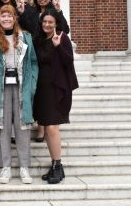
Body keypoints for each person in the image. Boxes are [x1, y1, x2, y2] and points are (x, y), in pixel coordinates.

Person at [0, 5, 38, 184]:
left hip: (22, 86)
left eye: (9, 16)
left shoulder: (26, 38)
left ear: (14, 18)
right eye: (3, 16)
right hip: (1, 87)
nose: (6, 19)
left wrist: (32, 84)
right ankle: (5, 167)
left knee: (23, 128)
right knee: (3, 128)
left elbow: (33, 62)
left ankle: (24, 167)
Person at [33, 9, 78, 184]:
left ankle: (58, 166)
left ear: (56, 23)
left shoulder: (61, 37)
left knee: (52, 129)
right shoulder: (39, 39)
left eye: (50, 22)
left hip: (57, 88)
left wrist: (58, 46)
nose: (47, 25)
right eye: (44, 22)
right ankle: (55, 165)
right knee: (47, 129)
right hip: (42, 89)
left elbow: (68, 61)